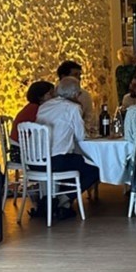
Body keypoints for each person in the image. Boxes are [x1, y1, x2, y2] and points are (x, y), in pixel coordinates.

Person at [33, 77, 101, 218]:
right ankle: (62, 200)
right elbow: (81, 136)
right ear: (75, 94)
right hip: (57, 162)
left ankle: (55, 202)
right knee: (95, 169)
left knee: (76, 164)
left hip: (36, 162)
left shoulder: (44, 106)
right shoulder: (73, 108)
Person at [10, 80, 55, 161]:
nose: (53, 97)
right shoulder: (36, 109)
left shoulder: (31, 107)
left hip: (17, 150)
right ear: (40, 96)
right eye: (50, 94)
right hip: (21, 152)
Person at [57, 60, 94, 127]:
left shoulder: (85, 95)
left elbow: (89, 117)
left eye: (79, 75)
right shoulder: (53, 94)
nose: (79, 78)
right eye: (75, 75)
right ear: (63, 77)